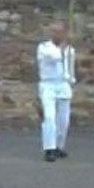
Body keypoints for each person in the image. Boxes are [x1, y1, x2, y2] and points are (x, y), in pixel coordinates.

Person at [37, 22, 76, 162]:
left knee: (63, 119)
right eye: (53, 31)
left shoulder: (70, 50)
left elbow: (70, 68)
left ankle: (59, 146)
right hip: (48, 85)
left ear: (64, 33)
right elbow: (54, 58)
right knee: (49, 117)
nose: (55, 34)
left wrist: (71, 81)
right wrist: (63, 47)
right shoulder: (43, 48)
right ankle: (49, 148)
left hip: (63, 85)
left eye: (59, 32)